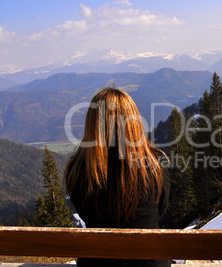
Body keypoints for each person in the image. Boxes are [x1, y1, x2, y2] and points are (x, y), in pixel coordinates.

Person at [64, 88, 171, 267]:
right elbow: (162, 207)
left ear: (93, 125)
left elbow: (83, 212)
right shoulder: (155, 163)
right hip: (149, 262)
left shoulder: (78, 169)